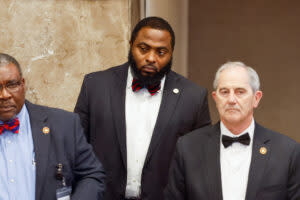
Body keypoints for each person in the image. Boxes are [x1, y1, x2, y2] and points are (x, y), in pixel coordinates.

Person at [74, 16, 211, 200]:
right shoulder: (95, 86)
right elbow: (76, 151)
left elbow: (200, 165)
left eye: (161, 52)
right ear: (131, 45)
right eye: (143, 49)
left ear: (171, 54)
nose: (151, 58)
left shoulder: (193, 97)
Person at [164, 61, 300, 200]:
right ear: (215, 98)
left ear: (256, 98)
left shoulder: (287, 152)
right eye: (224, 92)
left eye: (240, 92)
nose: (231, 99)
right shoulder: (188, 148)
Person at [0, 53, 105, 200]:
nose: (4, 95)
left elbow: (91, 175)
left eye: (11, 85)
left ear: (23, 84)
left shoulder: (64, 124)